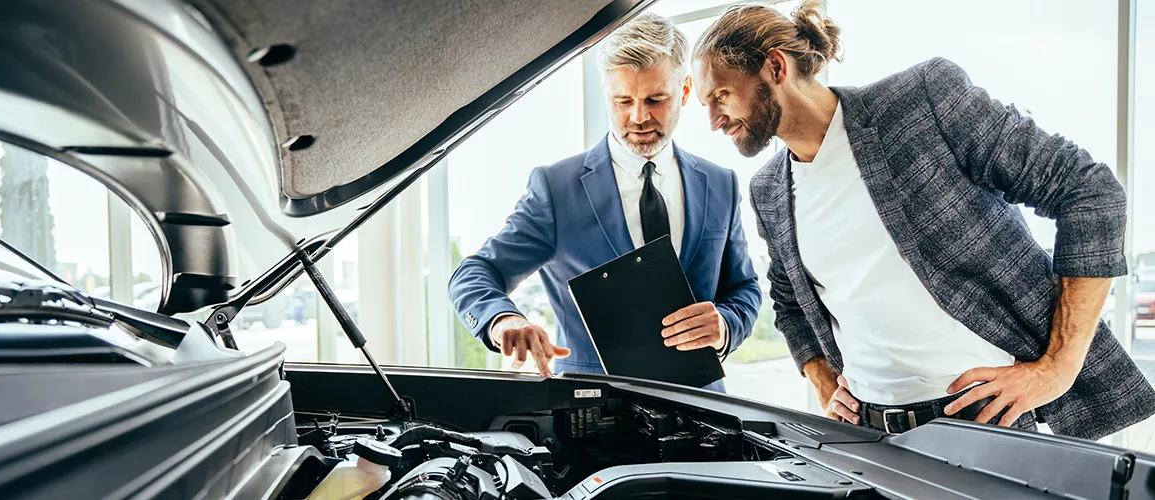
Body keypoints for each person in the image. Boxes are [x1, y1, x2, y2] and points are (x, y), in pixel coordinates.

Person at [689, 0, 1155, 438]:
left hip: (986, 421)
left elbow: (1089, 191)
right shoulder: (768, 189)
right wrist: (824, 381)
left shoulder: (921, 103)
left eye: (721, 96)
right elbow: (790, 302)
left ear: (775, 67)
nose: (713, 120)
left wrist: (1058, 366)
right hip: (871, 436)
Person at [448, 13, 762, 392]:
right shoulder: (556, 189)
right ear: (606, 94)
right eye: (623, 100)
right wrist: (503, 320)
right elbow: (474, 273)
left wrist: (725, 325)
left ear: (683, 91)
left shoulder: (720, 183)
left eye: (656, 99)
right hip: (593, 411)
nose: (638, 117)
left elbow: (744, 287)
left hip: (702, 407)